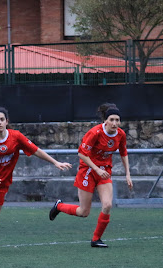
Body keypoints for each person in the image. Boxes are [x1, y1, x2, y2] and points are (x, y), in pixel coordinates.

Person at [0, 107, 72, 252]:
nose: (0, 122)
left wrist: (55, 162)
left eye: (2, 119)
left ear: (7, 121)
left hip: (3, 181)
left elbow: (36, 150)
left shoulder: (16, 136)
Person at [49, 103, 133, 248]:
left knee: (107, 205)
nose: (114, 123)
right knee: (83, 212)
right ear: (105, 121)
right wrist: (96, 169)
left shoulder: (121, 134)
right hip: (87, 170)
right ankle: (59, 206)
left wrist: (128, 174)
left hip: (104, 172)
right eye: (111, 120)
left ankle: (96, 239)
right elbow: (81, 153)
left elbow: (123, 153)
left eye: (117, 120)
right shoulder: (95, 133)